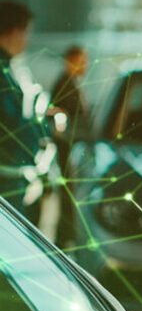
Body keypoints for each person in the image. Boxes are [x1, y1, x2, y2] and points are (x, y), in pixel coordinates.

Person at [0, 0, 50, 223]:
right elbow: (12, 124)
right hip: (6, 176)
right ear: (13, 32)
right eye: (26, 32)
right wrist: (40, 127)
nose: (26, 40)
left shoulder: (9, 69)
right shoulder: (3, 73)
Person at [50, 45, 92, 247]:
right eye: (81, 60)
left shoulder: (70, 83)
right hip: (68, 150)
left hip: (70, 150)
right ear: (71, 60)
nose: (85, 65)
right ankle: (65, 240)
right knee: (69, 199)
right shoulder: (64, 85)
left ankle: (66, 239)